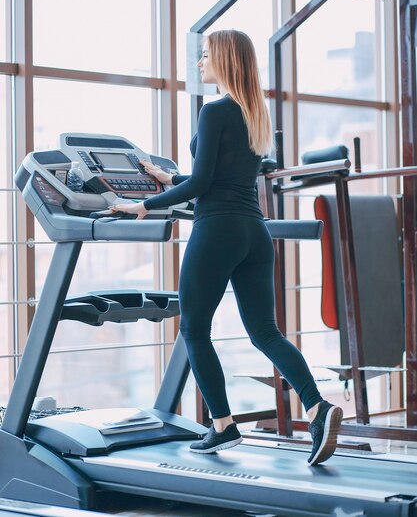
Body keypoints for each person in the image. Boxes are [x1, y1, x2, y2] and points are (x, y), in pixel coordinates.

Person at [111, 29, 343, 465]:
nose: (200, 63)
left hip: (216, 230)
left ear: (222, 59)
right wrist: (170, 181)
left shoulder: (213, 110)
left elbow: (202, 185)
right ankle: (317, 409)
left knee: (195, 330)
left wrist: (143, 204)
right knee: (265, 333)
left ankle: (222, 426)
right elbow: (218, 180)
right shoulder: (253, 113)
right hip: (253, 233)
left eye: (204, 56)